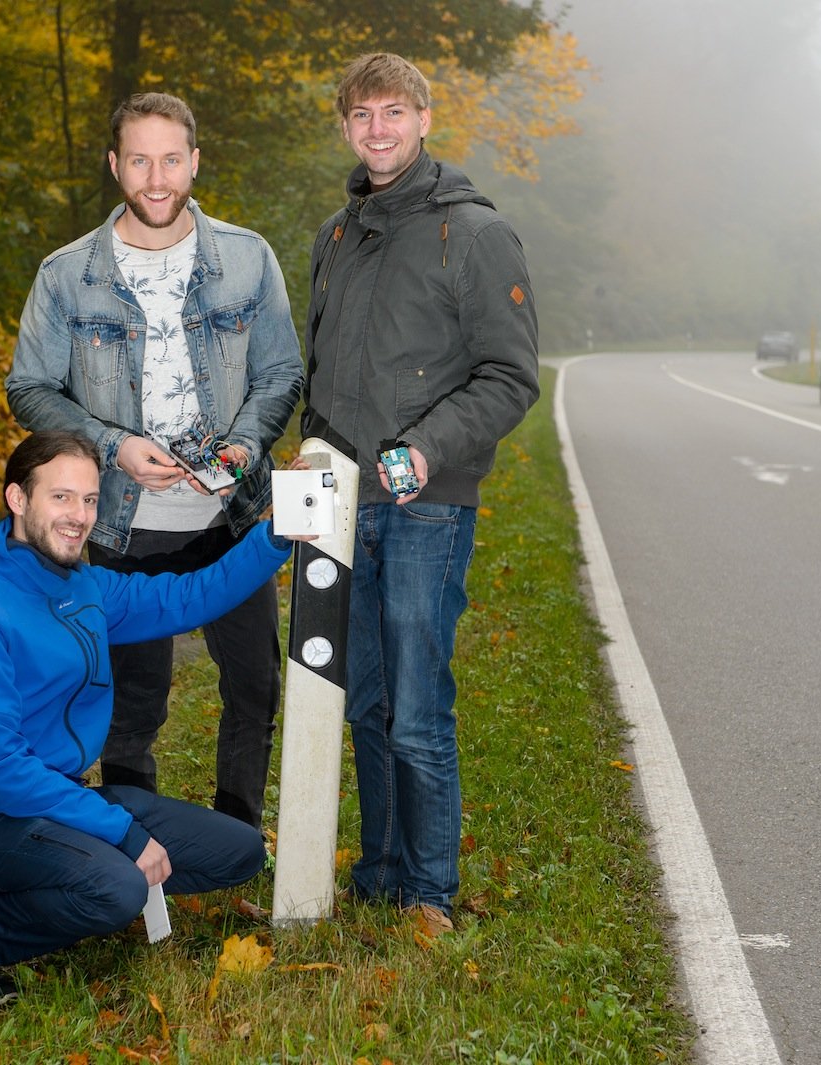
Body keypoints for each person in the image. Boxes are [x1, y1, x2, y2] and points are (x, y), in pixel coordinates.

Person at [0, 430, 296, 1008]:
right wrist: (122, 835)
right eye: (61, 498)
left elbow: (187, 596)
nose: (79, 516)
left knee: (237, 851)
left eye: (89, 500)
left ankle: (66, 889)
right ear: (18, 499)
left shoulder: (85, 587)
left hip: (56, 804)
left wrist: (276, 535)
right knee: (118, 887)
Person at [6, 92, 302, 830]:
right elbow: (29, 387)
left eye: (172, 158)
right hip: (117, 525)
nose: (157, 176)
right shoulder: (67, 273)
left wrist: (242, 443)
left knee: (255, 687)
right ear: (115, 165)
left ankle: (235, 842)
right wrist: (113, 447)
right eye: (139, 159)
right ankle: (143, 859)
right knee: (131, 702)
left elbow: (281, 373)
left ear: (195, 161)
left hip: (229, 516)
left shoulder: (247, 257)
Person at [301, 53, 540, 935]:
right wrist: (308, 465)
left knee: (415, 708)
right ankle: (380, 873)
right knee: (362, 701)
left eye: (393, 112)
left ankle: (430, 895)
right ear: (347, 128)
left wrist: (425, 451)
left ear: (425, 118)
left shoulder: (473, 233)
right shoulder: (335, 236)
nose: (377, 129)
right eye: (362, 115)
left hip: (426, 508)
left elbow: (511, 376)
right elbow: (325, 376)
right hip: (343, 508)